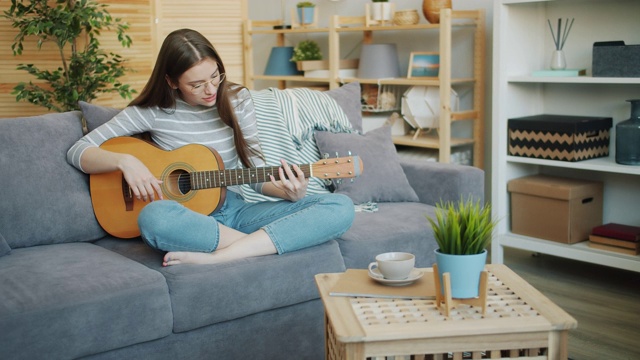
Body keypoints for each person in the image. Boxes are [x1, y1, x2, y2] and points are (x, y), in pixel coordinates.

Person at [67, 28, 355, 266]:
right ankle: (263, 243)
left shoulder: (238, 100)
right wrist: (125, 162)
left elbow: (253, 173)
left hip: (237, 211)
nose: (211, 90)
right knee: (153, 218)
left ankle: (226, 254)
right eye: (196, 84)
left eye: (215, 76)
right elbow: (78, 150)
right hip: (188, 220)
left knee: (340, 207)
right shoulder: (152, 111)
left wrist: (290, 191)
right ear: (171, 81)